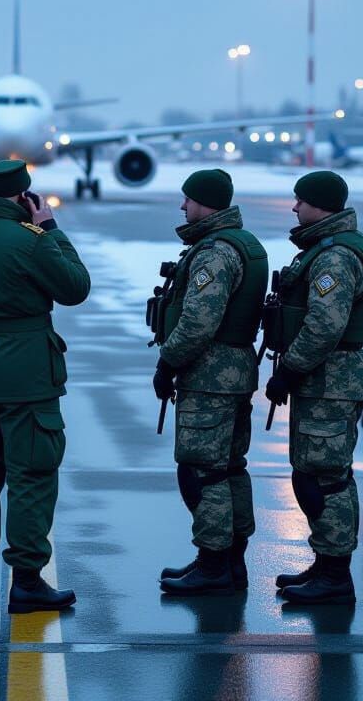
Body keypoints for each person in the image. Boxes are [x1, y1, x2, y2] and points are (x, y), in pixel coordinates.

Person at [0, 159, 91, 612]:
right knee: (30, 475)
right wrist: (51, 229)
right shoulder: (32, 241)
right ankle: (26, 580)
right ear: (25, 196)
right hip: (26, 372)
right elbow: (75, 287)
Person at [264, 171, 363, 605]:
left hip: (330, 378)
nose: (294, 208)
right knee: (312, 473)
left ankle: (335, 575)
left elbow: (324, 326)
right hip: (324, 378)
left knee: (325, 479)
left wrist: (289, 370)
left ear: (320, 205)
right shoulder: (328, 249)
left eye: (300, 201)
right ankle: (326, 563)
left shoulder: (335, 258)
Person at [152, 169, 268, 596]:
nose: (183, 207)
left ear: (206, 202)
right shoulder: (244, 244)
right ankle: (230, 562)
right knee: (229, 467)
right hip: (235, 371)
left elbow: (199, 320)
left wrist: (168, 362)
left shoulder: (215, 252)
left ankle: (214, 563)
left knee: (202, 471)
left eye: (188, 199)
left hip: (211, 374)